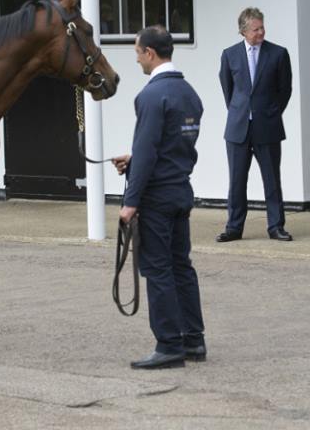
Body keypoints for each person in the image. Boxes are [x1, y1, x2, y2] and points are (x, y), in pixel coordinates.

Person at [111, 25, 206, 370]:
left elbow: (149, 150)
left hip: (157, 197)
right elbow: (172, 145)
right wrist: (135, 158)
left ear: (150, 53)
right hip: (181, 189)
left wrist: (130, 203)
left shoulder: (151, 96)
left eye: (137, 53)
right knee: (182, 266)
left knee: (157, 268)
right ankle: (193, 339)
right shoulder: (189, 93)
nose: (137, 60)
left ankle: (168, 344)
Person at [217, 8, 293, 243]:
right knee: (237, 180)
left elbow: (285, 90)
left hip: (267, 125)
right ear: (243, 31)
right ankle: (234, 227)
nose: (261, 32)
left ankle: (276, 226)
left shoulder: (278, 53)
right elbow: (228, 90)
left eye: (262, 27)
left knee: (272, 180)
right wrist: (242, 111)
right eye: (255, 29)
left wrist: (269, 112)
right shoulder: (229, 55)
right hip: (238, 127)